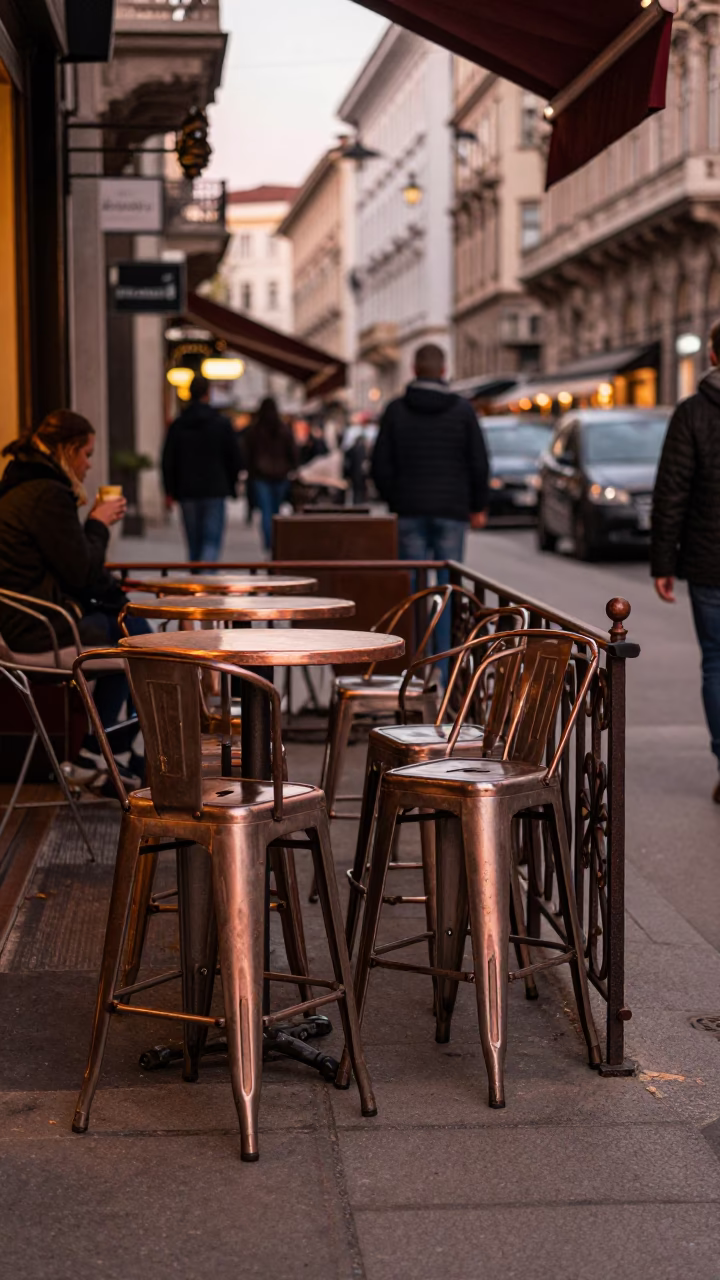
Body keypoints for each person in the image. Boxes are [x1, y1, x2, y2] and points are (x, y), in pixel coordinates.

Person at [0, 409, 148, 785]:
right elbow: (81, 571)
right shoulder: (46, 495)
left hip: (27, 623)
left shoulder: (24, 487)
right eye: (86, 453)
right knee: (141, 640)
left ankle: (103, 752)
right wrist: (97, 523)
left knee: (132, 628)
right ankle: (105, 751)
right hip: (37, 633)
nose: (88, 464)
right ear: (67, 450)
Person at [372, 343, 489, 655]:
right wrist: (477, 506)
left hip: (409, 509)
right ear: (444, 370)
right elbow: (478, 461)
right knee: (449, 589)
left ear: (413, 369)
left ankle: (414, 661)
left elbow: (379, 465)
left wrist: (395, 498)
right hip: (452, 511)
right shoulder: (463, 410)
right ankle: (444, 666)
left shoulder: (396, 410)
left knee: (413, 590)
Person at [652, 319, 720, 802]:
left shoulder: (692, 412)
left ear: (712, 355)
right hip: (706, 559)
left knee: (716, 663)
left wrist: (663, 562)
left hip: (708, 558)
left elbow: (671, 491)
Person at [162, 373, 243, 564]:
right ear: (208, 393)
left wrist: (169, 490)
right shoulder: (221, 424)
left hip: (187, 489)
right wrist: (232, 485)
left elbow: (168, 460)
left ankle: (197, 580)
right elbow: (234, 458)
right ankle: (205, 579)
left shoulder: (179, 425)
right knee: (211, 541)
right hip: (215, 487)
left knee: (194, 542)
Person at [244, 396, 297, 550]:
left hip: (261, 476)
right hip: (280, 475)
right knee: (275, 511)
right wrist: (291, 468)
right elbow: (293, 452)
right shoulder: (283, 429)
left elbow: (247, 454)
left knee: (266, 512)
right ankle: (276, 543)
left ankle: (270, 544)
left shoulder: (255, 430)